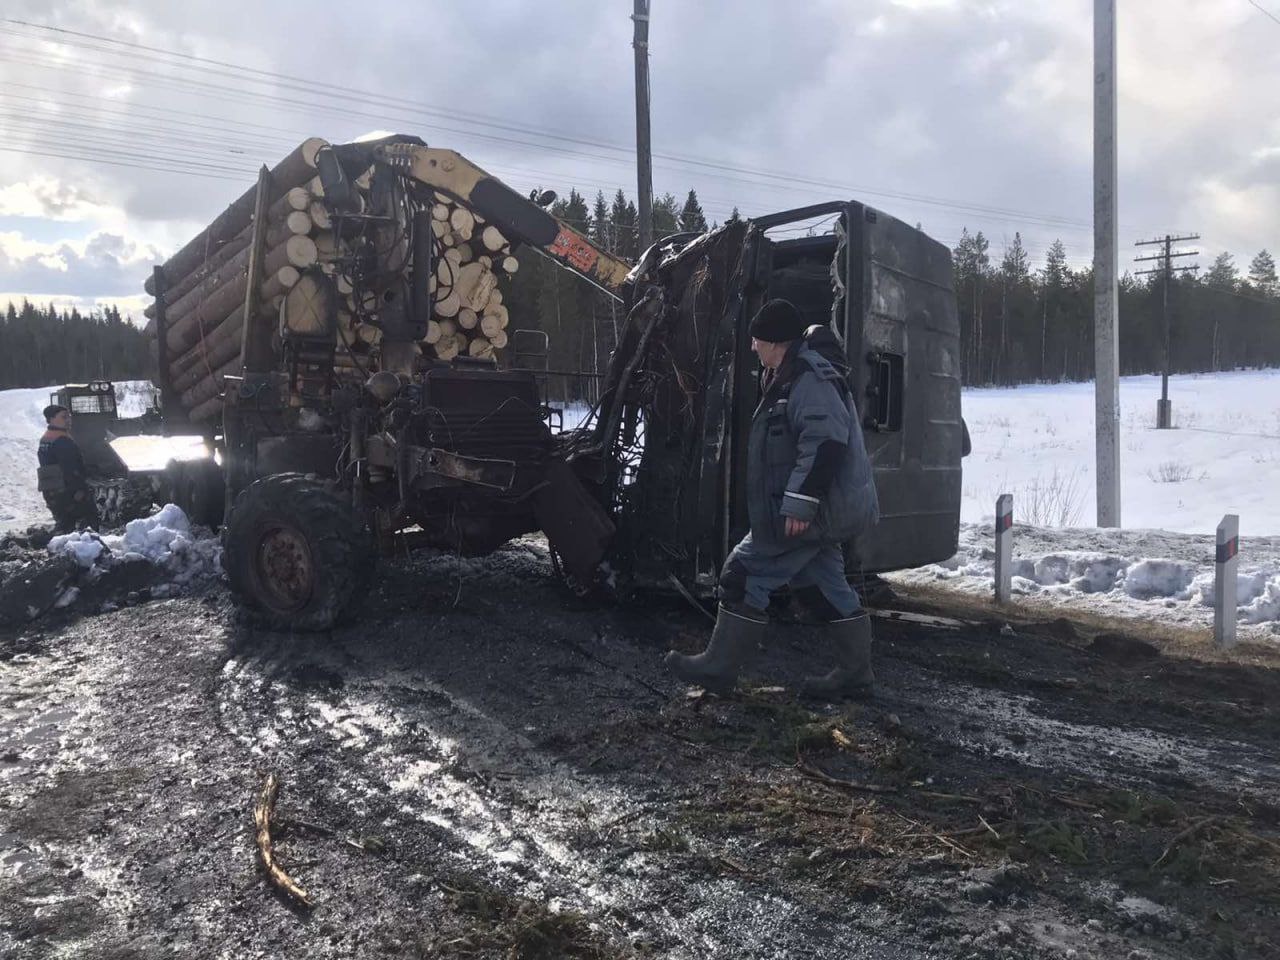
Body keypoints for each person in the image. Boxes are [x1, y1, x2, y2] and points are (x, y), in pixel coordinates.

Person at [665, 299, 880, 698]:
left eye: (757, 339)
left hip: (805, 512)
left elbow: (827, 441)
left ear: (776, 342)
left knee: (741, 575)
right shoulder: (786, 374)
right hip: (812, 511)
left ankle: (717, 669)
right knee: (827, 586)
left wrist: (800, 504)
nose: (752, 346)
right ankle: (856, 674)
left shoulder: (809, 379)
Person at [37, 404, 99, 533]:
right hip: (67, 491)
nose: (68, 420)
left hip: (51, 490)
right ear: (51, 419)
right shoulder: (62, 440)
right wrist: (80, 489)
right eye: (64, 417)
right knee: (89, 518)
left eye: (69, 417)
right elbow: (70, 469)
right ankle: (89, 549)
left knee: (65, 523)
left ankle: (62, 547)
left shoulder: (46, 438)